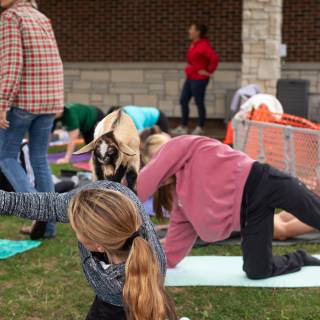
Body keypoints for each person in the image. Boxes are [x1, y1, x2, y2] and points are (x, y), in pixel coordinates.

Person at [138, 135, 320, 279]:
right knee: (257, 271)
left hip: (264, 182)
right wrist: (149, 262)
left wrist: (121, 205)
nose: (160, 173)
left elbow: (143, 184)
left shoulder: (188, 146)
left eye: (157, 163)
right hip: (251, 212)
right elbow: (173, 248)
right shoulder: (182, 199)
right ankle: (301, 257)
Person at [0, 181, 177, 320]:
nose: (73, 229)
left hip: (117, 302)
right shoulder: (111, 196)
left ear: (98, 245)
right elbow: (48, 205)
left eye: (76, 230)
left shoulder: (116, 284)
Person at [0, 0, 64, 238]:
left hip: (23, 102)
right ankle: (48, 227)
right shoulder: (41, 17)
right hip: (48, 101)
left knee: (5, 156)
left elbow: (11, 64)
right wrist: (58, 101)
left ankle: (38, 211)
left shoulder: (10, 18)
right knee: (39, 159)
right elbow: (57, 62)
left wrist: (2, 103)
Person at [172, 23, 219, 136]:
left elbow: (214, 58)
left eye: (191, 29)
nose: (189, 31)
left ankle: (200, 127)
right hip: (191, 77)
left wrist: (208, 71)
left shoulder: (203, 45)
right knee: (183, 100)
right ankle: (183, 126)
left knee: (199, 102)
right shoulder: (194, 44)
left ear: (197, 32)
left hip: (199, 79)